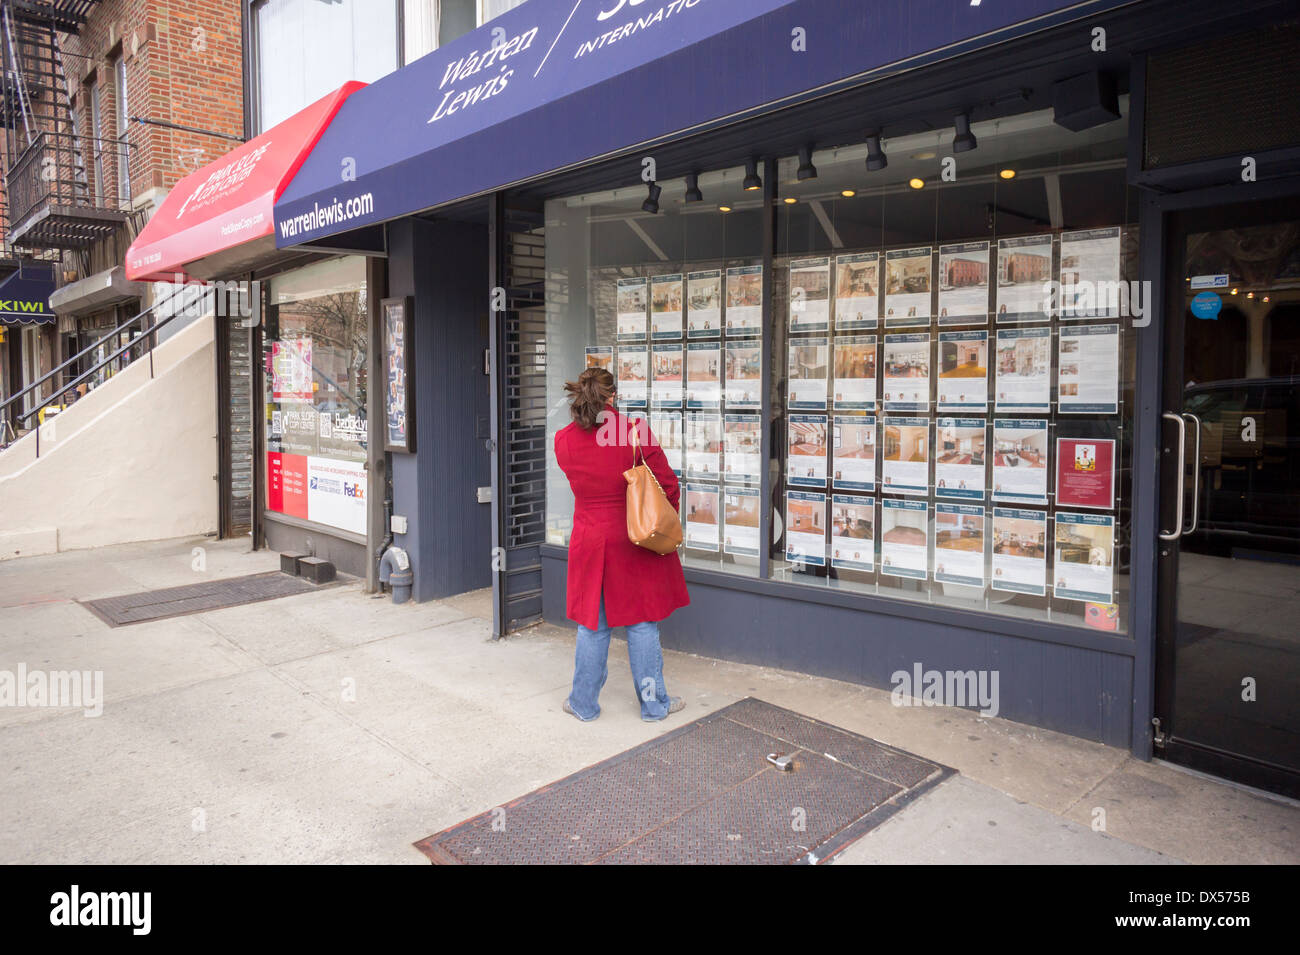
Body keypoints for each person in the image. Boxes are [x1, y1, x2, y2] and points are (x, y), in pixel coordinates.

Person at [554, 366, 689, 722]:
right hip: (633, 537)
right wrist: (663, 518)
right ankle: (653, 705)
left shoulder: (563, 440)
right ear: (612, 396)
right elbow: (668, 486)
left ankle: (583, 704)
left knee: (592, 625)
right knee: (641, 623)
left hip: (588, 538)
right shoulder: (632, 432)